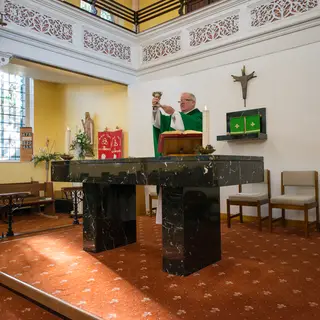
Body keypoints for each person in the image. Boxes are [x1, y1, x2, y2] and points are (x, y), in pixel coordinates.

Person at [151, 92, 203, 224]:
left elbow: (184, 127)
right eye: (180, 101)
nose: (182, 102)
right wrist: (156, 108)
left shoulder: (199, 117)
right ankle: (170, 220)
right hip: (171, 163)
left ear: (193, 103)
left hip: (190, 165)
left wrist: (174, 112)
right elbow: (158, 125)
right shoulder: (175, 117)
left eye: (186, 100)